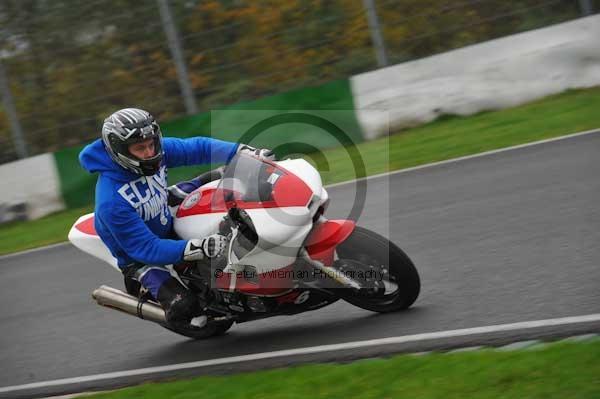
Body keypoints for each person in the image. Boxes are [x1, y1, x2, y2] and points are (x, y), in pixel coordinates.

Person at [79, 107, 273, 327]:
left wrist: (243, 152)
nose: (149, 152)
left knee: (223, 187)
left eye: (152, 144)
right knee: (186, 309)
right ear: (118, 151)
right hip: (140, 257)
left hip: (162, 207)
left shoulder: (156, 151)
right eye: (140, 148)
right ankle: (148, 291)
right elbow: (146, 248)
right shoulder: (111, 202)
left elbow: (198, 148)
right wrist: (199, 247)